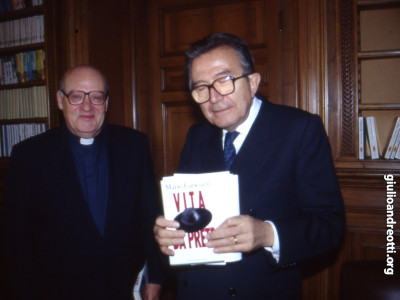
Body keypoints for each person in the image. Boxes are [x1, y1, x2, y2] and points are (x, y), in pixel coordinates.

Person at [154, 32, 345, 299]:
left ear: (253, 83)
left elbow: (329, 226)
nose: (214, 97)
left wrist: (268, 234)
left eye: (224, 80)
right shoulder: (197, 135)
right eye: (201, 88)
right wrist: (167, 235)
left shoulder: (298, 129)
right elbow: (187, 214)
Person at [2, 65, 162, 300]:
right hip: (57, 290)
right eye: (76, 96)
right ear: (60, 100)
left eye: (97, 97)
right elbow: (16, 241)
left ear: (106, 103)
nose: (87, 106)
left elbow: (151, 217)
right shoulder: (29, 156)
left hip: (123, 287)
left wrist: (156, 277)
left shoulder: (134, 146)